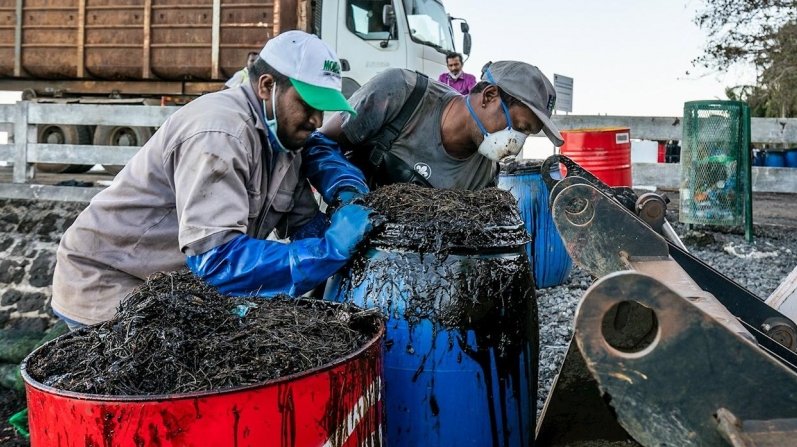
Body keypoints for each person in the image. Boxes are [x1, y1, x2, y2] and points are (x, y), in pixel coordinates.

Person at [51, 31, 378, 329]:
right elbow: (218, 260)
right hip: (111, 281)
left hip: (173, 286)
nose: (316, 120)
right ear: (266, 86)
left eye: (324, 109)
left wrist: (347, 209)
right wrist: (328, 250)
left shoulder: (282, 139)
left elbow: (304, 212)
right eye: (308, 104)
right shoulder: (220, 134)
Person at [312, 60, 565, 190]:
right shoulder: (400, 92)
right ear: (489, 96)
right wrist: (345, 191)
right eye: (519, 127)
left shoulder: (485, 172)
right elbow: (319, 146)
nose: (516, 143)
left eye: (526, 135)